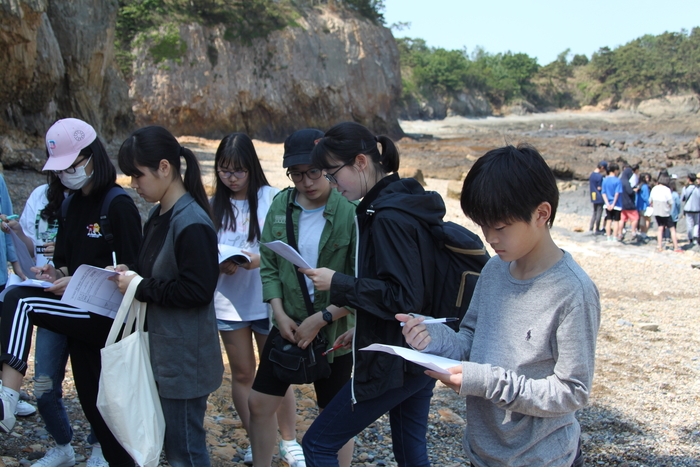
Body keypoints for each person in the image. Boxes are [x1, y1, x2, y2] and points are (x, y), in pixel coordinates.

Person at [399, 144, 600, 467]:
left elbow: (573, 392)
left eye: (500, 227)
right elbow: (471, 341)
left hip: (542, 458)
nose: (489, 238)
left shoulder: (573, 291)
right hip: (482, 452)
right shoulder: (494, 269)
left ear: (541, 213)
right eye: (483, 225)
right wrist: (433, 336)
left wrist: (487, 382)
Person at [300, 122, 448, 467]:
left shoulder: (387, 216)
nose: (334, 187)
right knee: (411, 452)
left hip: (398, 356)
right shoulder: (405, 198)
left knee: (318, 444)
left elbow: (402, 296)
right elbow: (413, 288)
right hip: (423, 348)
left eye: (334, 175)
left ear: (361, 162)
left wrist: (338, 282)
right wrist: (364, 326)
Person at [0, 118, 142, 467]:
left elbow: (137, 269)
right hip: (78, 312)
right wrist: (56, 273)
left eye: (71, 167)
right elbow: (64, 262)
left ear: (91, 157)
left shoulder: (118, 205)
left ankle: (6, 396)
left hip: (106, 316)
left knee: (18, 299)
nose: (65, 175)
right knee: (96, 405)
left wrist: (83, 276)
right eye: (60, 170)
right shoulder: (71, 205)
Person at [113, 125, 224, 467]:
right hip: (163, 353)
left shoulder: (191, 222)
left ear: (164, 167)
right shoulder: (158, 214)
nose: (134, 184)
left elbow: (197, 291)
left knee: (185, 451)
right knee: (173, 447)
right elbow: (154, 273)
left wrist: (139, 285)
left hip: (184, 359)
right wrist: (127, 275)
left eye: (137, 175)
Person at [250, 129, 356, 467]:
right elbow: (269, 265)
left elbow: (361, 282)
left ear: (328, 168)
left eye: (314, 172)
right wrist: (279, 315)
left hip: (334, 332)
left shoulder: (349, 212)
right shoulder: (282, 204)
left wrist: (322, 319)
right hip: (287, 325)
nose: (307, 181)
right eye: (297, 174)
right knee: (259, 404)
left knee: (335, 414)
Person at [2, 174, 107, 466]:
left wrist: (62, 260)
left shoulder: (92, 201)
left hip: (86, 302)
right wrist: (17, 234)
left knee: (96, 383)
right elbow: (28, 252)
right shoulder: (39, 196)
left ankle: (100, 446)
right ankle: (63, 445)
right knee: (44, 385)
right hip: (45, 298)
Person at [210, 132, 297, 465]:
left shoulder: (270, 198)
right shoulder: (212, 205)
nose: (231, 178)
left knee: (277, 373)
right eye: (224, 170)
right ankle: (259, 440)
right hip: (228, 302)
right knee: (243, 374)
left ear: (252, 168)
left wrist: (249, 258)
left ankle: (289, 441)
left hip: (266, 300)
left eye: (238, 171)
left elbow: (282, 245)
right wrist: (220, 262)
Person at [650, 173, 680, 252]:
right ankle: (676, 247)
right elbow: (671, 202)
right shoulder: (667, 189)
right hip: (665, 212)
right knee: (672, 229)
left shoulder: (654, 188)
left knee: (660, 228)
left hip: (656, 211)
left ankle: (659, 246)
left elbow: (650, 200)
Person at [601, 162, 623, 242]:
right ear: (615, 170)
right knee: (616, 221)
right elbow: (617, 193)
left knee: (609, 220)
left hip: (607, 204)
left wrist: (607, 203)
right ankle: (615, 237)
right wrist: (613, 204)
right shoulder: (618, 180)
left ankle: (608, 237)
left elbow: (603, 193)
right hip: (616, 204)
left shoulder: (605, 180)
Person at [620, 165, 639, 240]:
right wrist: (634, 191)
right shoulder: (626, 182)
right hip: (629, 203)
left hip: (622, 203)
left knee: (622, 219)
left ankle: (620, 233)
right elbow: (630, 192)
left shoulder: (620, 181)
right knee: (635, 218)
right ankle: (633, 232)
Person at [681, 173, 700, 246]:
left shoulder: (685, 188)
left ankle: (690, 238)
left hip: (688, 208)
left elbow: (683, 198)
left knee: (689, 224)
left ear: (688, 179)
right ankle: (695, 238)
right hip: (697, 208)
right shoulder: (697, 188)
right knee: (696, 224)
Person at [588, 161, 607, 234]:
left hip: (593, 195)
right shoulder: (599, 176)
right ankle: (597, 229)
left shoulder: (592, 174)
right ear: (602, 167)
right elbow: (599, 188)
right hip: (599, 196)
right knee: (599, 212)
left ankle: (591, 228)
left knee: (594, 212)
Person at [636, 172, 652, 239]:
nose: (648, 179)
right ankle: (644, 233)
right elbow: (646, 197)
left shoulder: (639, 185)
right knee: (647, 220)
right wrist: (650, 203)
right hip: (645, 205)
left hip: (639, 205)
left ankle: (642, 232)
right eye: (646, 177)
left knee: (642, 219)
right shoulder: (645, 186)